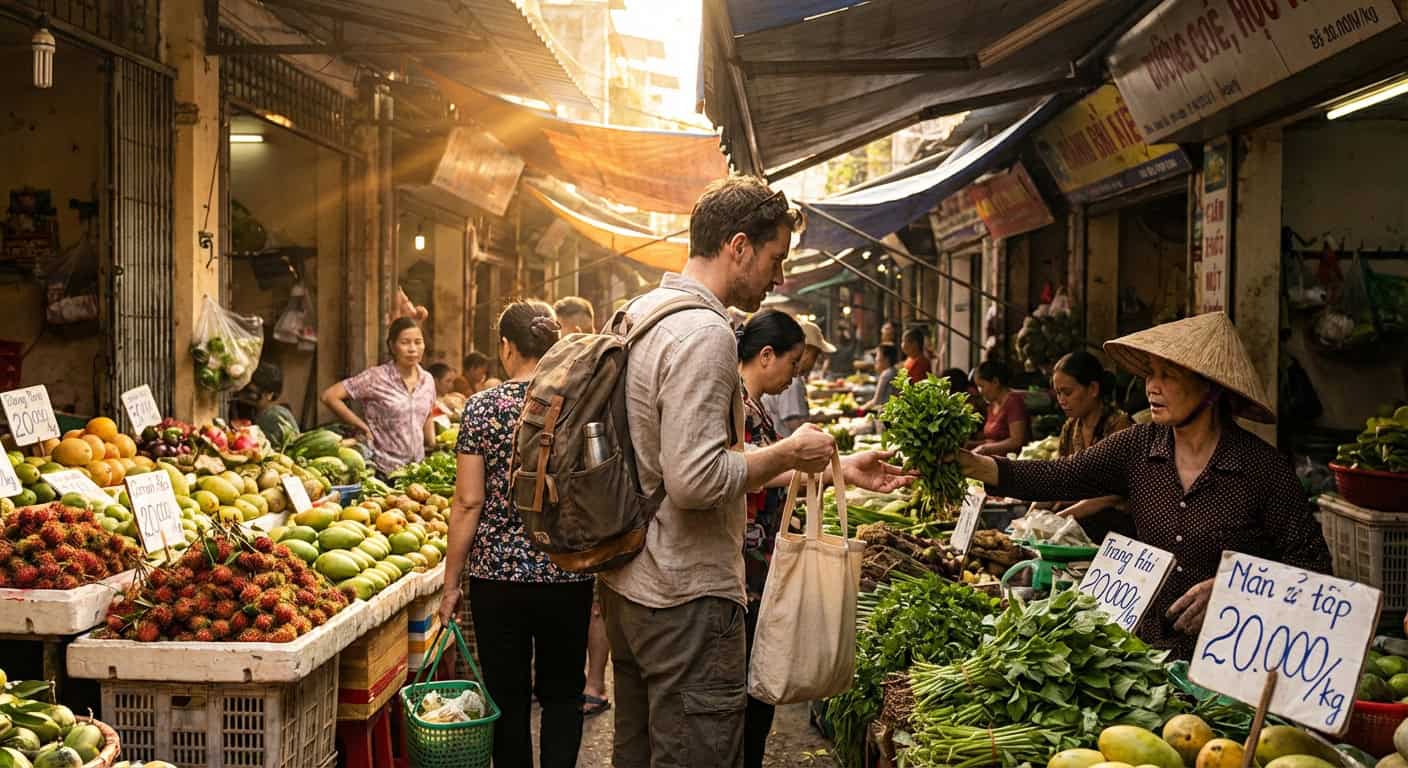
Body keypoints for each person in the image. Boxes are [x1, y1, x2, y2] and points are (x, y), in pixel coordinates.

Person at [601, 176, 912, 768]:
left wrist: (836, 468)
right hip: (685, 598)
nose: (778, 278)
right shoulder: (704, 332)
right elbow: (696, 481)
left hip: (632, 584)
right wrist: (791, 451)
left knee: (637, 752)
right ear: (738, 246)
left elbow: (674, 459)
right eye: (775, 259)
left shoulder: (640, 313)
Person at [953, 312, 1331, 659]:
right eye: (1150, 373)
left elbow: (1312, 568)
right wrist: (975, 464)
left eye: (1168, 374)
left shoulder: (1261, 468)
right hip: (1148, 653)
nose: (1152, 386)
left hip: (1232, 659)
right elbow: (1061, 475)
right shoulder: (1139, 445)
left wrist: (1236, 591)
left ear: (1212, 389)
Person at [436, 300, 593, 768]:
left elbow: (468, 502)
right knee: (564, 693)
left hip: (497, 580)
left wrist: (450, 585)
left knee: (507, 697)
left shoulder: (482, 407)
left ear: (506, 347)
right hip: (567, 571)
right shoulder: (578, 403)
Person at [321, 318, 436, 474]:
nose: (412, 349)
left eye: (418, 342)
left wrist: (433, 443)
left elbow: (428, 414)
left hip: (417, 471)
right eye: (405, 342)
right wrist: (361, 425)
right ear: (392, 346)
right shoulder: (376, 377)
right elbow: (330, 396)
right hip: (383, 469)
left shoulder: (427, 380)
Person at [1043, 351, 1135, 541]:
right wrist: (1034, 510)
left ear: (1093, 389)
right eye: (1058, 393)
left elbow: (1114, 494)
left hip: (1116, 524)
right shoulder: (1070, 428)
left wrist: (1061, 518)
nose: (1061, 400)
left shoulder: (1120, 425)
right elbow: (1059, 477)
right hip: (1079, 516)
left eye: (1067, 392)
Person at [762, 319, 835, 437]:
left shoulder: (789, 375)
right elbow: (795, 424)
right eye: (815, 355)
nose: (814, 362)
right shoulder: (791, 381)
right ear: (804, 350)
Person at [970, 360, 1029, 456]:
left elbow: (1017, 441)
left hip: (1011, 464)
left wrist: (984, 449)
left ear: (995, 382)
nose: (979, 391)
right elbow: (991, 442)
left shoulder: (1013, 402)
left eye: (981, 386)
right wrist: (969, 444)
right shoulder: (991, 405)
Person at [237, 363, 299, 448]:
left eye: (253, 393)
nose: (247, 396)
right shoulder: (273, 411)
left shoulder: (272, 416)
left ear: (270, 394)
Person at [859, 344, 901, 413]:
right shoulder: (893, 371)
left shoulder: (886, 374)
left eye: (878, 356)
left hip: (887, 413)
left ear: (886, 359)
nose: (876, 359)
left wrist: (859, 410)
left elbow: (876, 401)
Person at [427, 362, 465, 435]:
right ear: (435, 381)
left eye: (452, 381)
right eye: (448, 381)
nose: (451, 385)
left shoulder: (452, 398)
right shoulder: (429, 401)